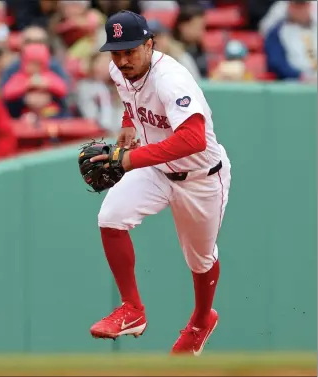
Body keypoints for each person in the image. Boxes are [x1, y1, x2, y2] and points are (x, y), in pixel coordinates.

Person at [88, 10, 232, 355]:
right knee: (110, 217)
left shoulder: (172, 79)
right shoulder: (118, 69)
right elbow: (131, 96)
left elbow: (193, 139)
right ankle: (132, 310)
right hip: (156, 169)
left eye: (131, 51)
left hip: (200, 177)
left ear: (149, 45)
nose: (122, 60)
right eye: (116, 52)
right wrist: (127, 121)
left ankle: (201, 319)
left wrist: (130, 159)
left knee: (200, 260)